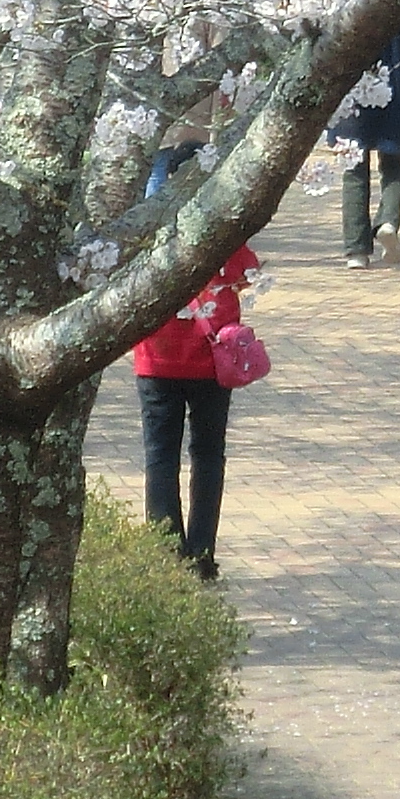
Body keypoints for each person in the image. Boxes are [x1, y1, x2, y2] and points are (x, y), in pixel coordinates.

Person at [129, 234, 259, 581]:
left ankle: (166, 554)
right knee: (208, 454)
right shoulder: (219, 234)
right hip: (211, 362)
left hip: (156, 360)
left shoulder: (149, 241)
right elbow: (247, 274)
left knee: (160, 457)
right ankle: (202, 554)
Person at [334, 12, 400, 266]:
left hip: (351, 101)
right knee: (393, 166)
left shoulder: (343, 3)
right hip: (397, 97)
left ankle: (357, 251)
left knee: (353, 171)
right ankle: (388, 222)